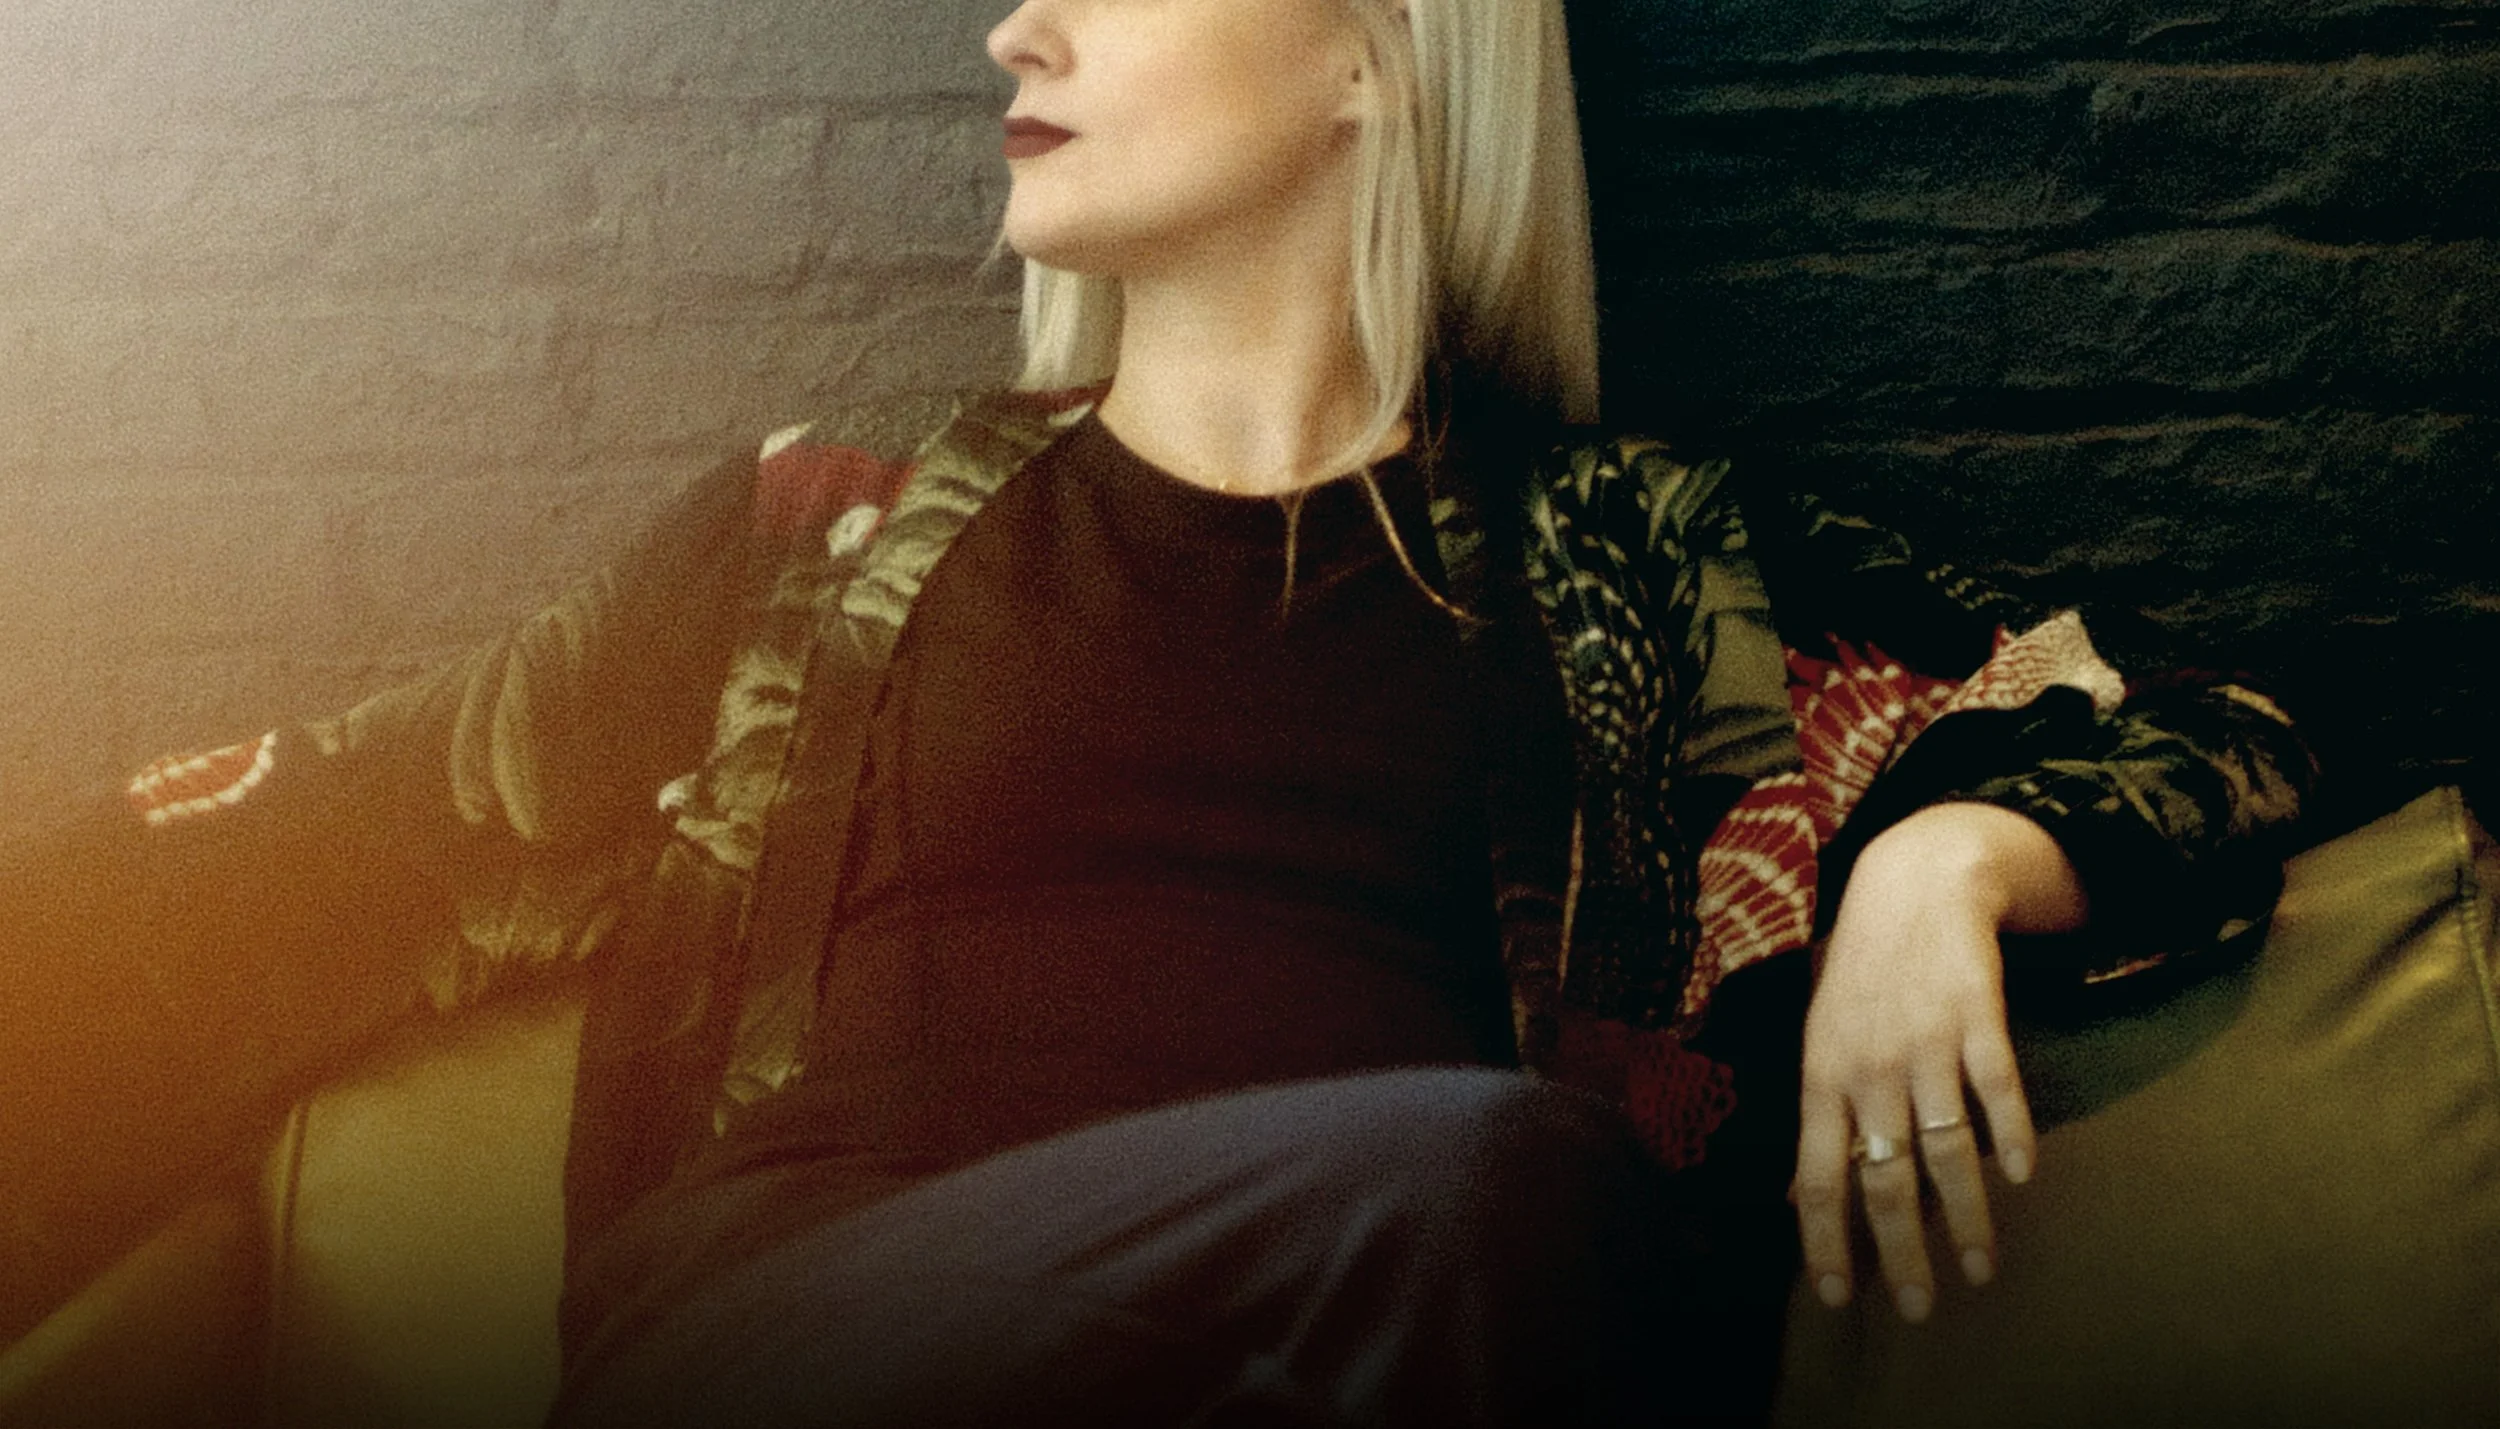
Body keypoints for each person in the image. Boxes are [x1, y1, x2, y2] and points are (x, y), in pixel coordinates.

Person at [0, 0, 2313, 1422]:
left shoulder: (1635, 565)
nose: (1017, 29)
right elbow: (316, 834)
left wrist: (1943, 862)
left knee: (1519, 1214)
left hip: (1384, 1334)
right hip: (792, 1338)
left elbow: (2186, 723)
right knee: (1497, 1194)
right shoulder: (826, 543)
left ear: (1373, 54)